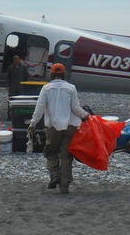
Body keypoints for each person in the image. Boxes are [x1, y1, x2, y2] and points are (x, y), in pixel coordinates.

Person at [28, 63, 90, 194]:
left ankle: (55, 176)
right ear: (64, 74)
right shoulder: (71, 88)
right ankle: (64, 187)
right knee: (66, 155)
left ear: (51, 74)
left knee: (50, 152)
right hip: (70, 126)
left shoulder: (46, 88)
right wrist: (87, 116)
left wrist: (33, 123)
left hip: (53, 127)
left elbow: (39, 108)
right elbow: (76, 108)